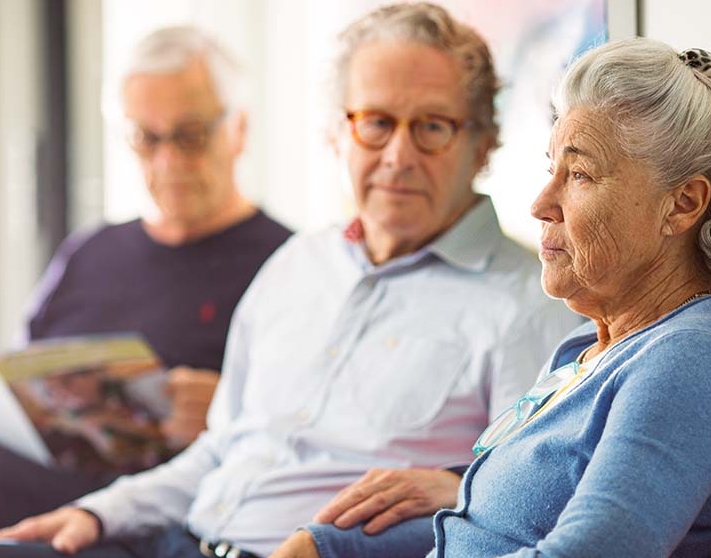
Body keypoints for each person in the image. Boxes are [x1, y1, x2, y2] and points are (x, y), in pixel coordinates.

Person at [0, 3, 580, 558]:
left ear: (483, 143)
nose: (399, 156)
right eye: (375, 123)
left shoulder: (533, 304)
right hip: (169, 536)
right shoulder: (298, 264)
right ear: (337, 134)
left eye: (432, 126)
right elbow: (222, 449)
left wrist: (461, 486)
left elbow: (528, 500)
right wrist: (100, 513)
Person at [407, 37, 711, 557]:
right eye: (552, 171)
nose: (541, 204)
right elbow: (479, 529)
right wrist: (327, 544)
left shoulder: (691, 360)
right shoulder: (583, 350)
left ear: (682, 205)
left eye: (580, 174)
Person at [0, 26, 291, 526]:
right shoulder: (88, 253)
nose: (168, 161)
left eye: (191, 135)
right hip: (53, 490)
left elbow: (318, 433)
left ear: (238, 129)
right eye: (146, 138)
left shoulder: (290, 264)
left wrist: (229, 416)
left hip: (175, 510)